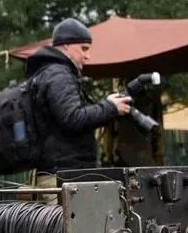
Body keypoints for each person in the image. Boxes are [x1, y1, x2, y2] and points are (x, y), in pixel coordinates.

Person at [22, 18, 132, 196]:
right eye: (84, 48)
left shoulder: (46, 73)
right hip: (63, 178)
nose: (88, 56)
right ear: (66, 46)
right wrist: (110, 107)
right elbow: (72, 118)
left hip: (58, 174)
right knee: (65, 224)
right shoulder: (58, 75)